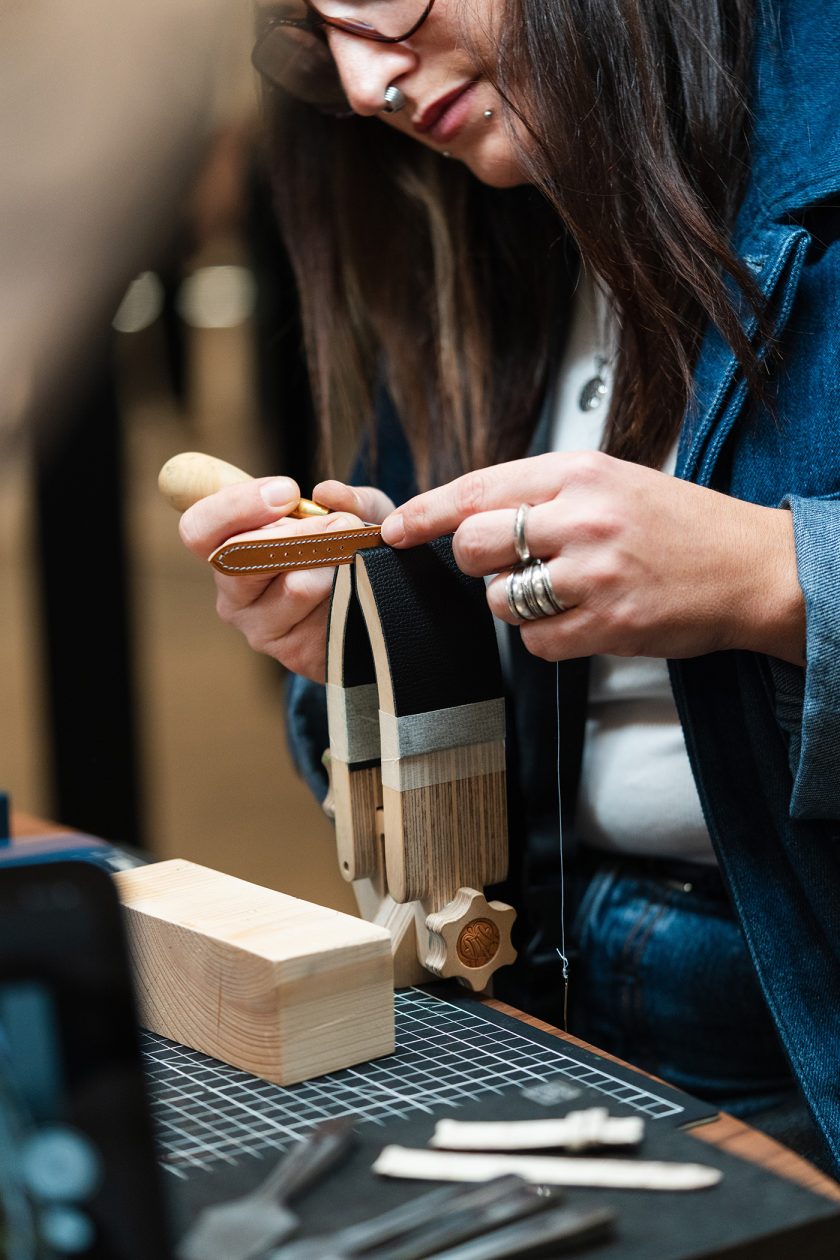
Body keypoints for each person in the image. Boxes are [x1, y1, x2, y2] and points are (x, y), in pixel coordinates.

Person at [178, 0, 840, 1174]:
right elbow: (410, 784)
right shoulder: (482, 213)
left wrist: (773, 574)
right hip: (536, 969)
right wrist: (372, 648)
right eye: (318, 35)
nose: (363, 83)